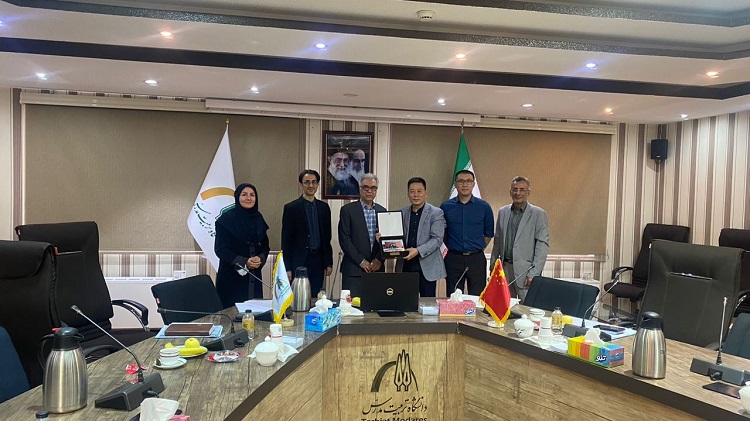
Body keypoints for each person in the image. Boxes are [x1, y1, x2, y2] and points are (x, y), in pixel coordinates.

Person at [490, 176, 549, 303]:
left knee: (527, 309)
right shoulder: (503, 212)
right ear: (510, 192)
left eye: (522, 190)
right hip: (505, 270)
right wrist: (493, 267)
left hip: (526, 273)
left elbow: (542, 246)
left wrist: (534, 273)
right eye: (515, 189)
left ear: (528, 192)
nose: (518, 193)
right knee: (504, 307)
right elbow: (497, 241)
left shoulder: (539, 214)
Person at [214, 183, 270, 309]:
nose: (248, 198)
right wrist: (244, 262)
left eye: (252, 195)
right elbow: (221, 249)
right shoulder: (226, 219)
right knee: (232, 314)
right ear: (237, 197)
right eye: (244, 195)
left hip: (254, 276)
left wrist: (260, 258)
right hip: (231, 278)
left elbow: (265, 246)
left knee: (254, 312)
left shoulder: (258, 218)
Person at [440, 170, 494, 296]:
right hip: (453, 258)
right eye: (461, 181)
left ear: (473, 184)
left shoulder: (484, 206)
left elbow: (488, 233)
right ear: (455, 184)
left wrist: (475, 247)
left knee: (477, 297)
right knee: (453, 297)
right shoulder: (446, 206)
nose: (465, 184)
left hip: (476, 259)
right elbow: (442, 233)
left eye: (468, 181)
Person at [281, 169, 333, 297]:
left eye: (314, 182)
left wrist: (328, 263)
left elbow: (327, 238)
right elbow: (286, 240)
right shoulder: (291, 208)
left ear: (318, 185)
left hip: (318, 261)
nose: (311, 185)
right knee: (298, 298)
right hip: (299, 261)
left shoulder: (324, 208)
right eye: (307, 182)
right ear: (301, 184)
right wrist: (287, 267)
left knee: (316, 297)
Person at [395, 177, 447, 297]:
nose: (416, 195)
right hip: (405, 266)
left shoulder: (436, 213)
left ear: (425, 193)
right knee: (405, 302)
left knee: (427, 304)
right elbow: (395, 235)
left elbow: (437, 239)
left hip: (427, 267)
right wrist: (384, 238)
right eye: (412, 191)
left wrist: (418, 251)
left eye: (419, 191)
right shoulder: (402, 212)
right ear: (408, 193)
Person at [338, 173, 386, 296]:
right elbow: (344, 239)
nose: (369, 191)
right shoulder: (347, 210)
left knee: (376, 305)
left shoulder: (383, 211)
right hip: (354, 270)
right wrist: (361, 261)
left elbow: (387, 240)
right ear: (360, 189)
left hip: (377, 269)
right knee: (352, 306)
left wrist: (379, 259)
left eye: (373, 188)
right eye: (366, 188)